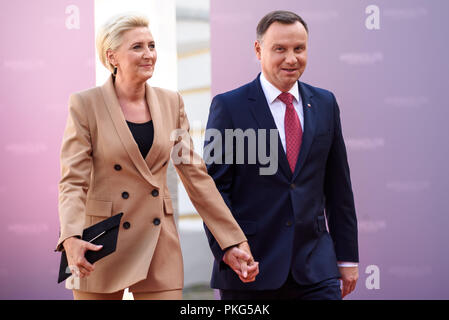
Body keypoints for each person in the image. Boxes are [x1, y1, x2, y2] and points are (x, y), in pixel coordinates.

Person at [55, 13, 258, 300]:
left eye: (152, 46)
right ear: (112, 56)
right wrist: (71, 238)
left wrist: (231, 241)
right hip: (98, 243)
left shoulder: (171, 101)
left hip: (158, 241)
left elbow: (196, 176)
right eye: (137, 47)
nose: (149, 54)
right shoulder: (85, 104)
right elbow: (73, 181)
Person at [203, 10, 358, 300]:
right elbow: (213, 190)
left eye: (299, 49)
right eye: (280, 49)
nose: (291, 58)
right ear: (258, 50)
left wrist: (347, 258)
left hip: (316, 268)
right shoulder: (228, 107)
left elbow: (339, 188)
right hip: (249, 268)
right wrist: (227, 247)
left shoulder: (325, 103)